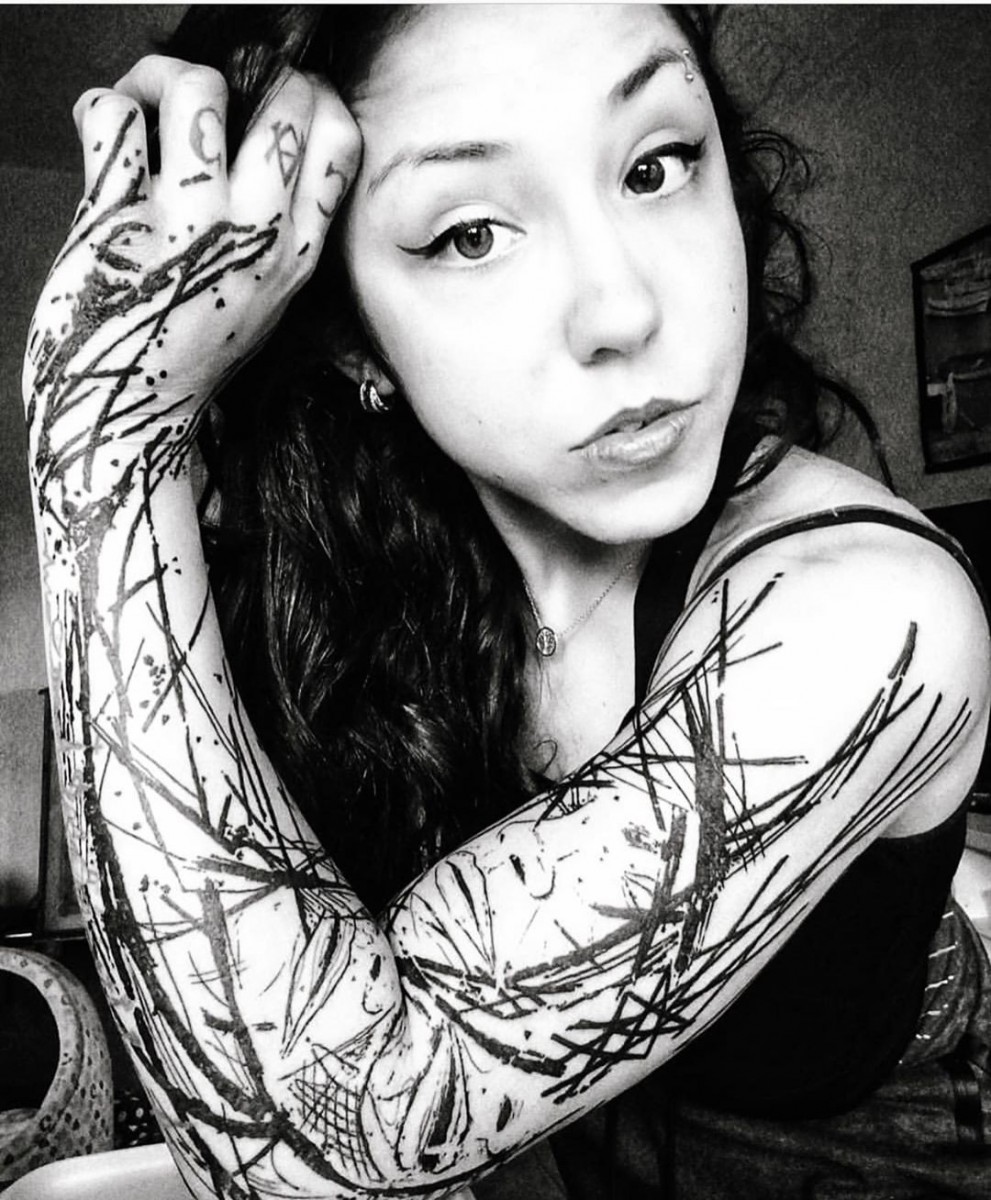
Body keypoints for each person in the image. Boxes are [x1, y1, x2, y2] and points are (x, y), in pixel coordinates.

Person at [21, 4, 991, 1198]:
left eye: (655, 165)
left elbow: (331, 1148)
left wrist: (104, 434)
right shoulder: (372, 571)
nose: (623, 310)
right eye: (471, 232)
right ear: (353, 342)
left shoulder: (869, 611)